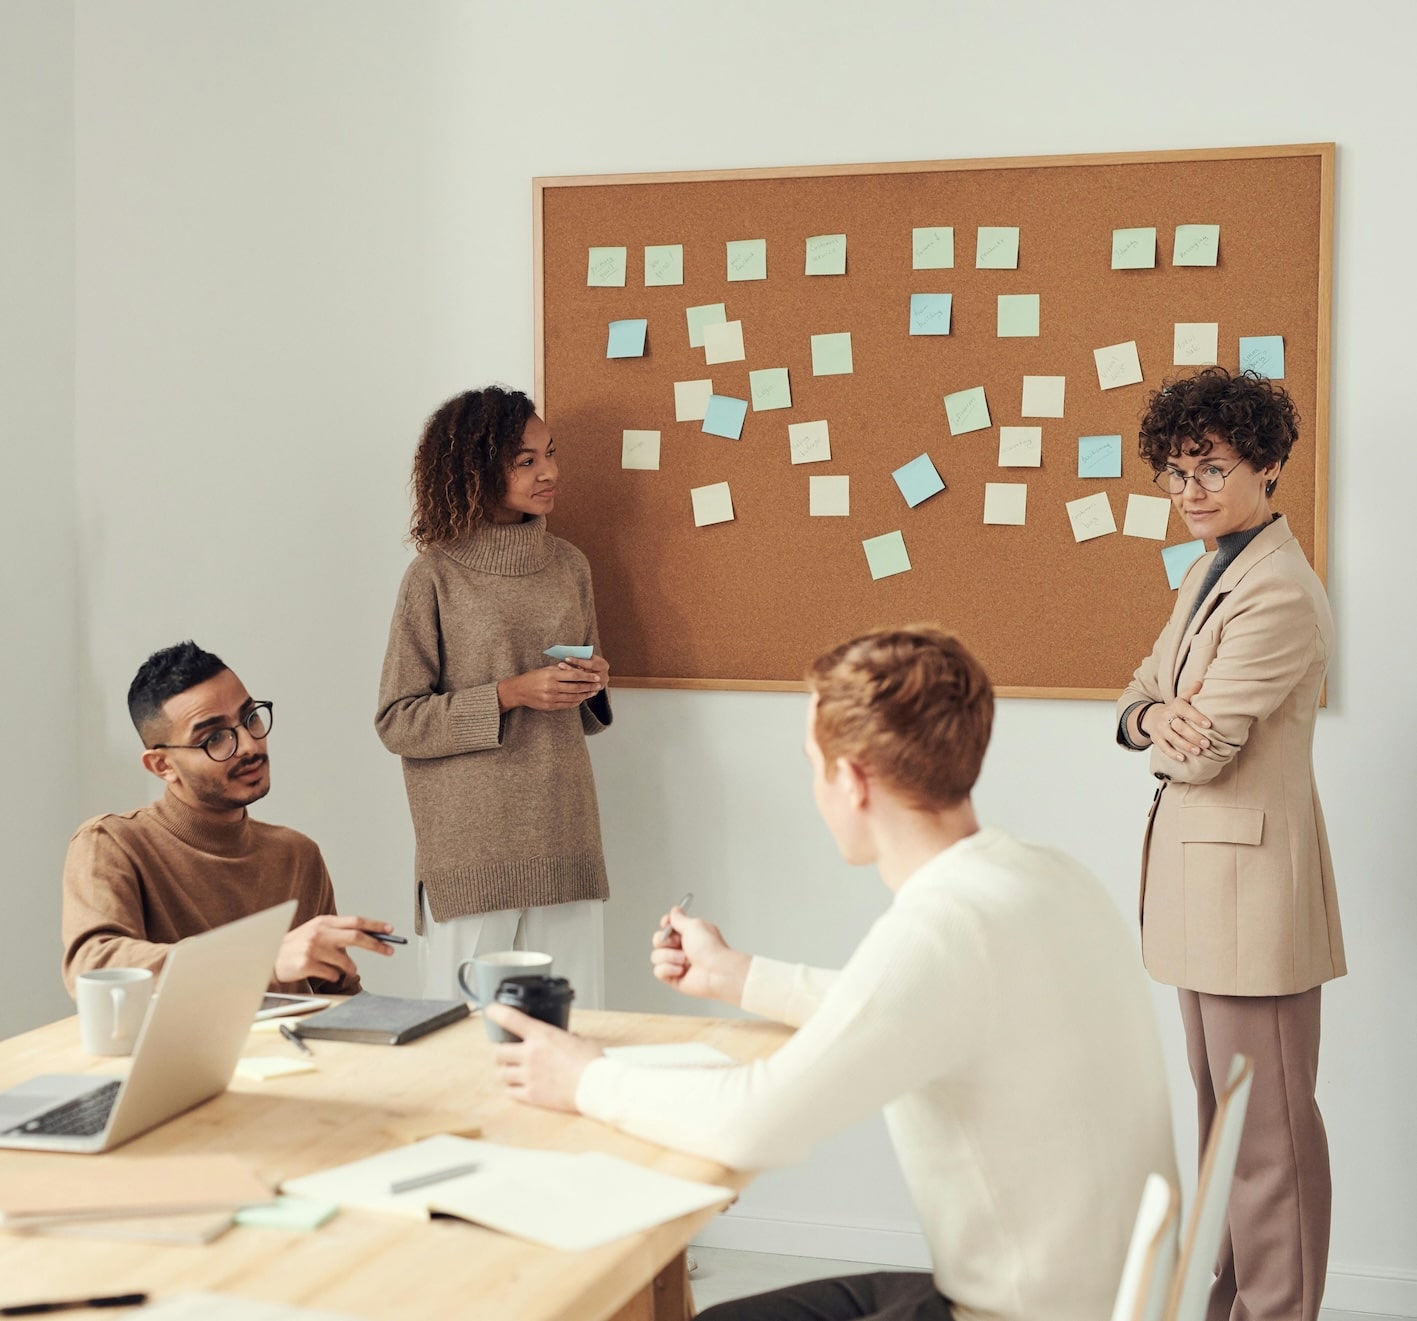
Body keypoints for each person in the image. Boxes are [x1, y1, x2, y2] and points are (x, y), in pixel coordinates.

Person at [488, 626, 1176, 1321]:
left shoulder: (943, 927)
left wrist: (584, 1077)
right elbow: (907, 1009)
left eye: (813, 764)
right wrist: (738, 975)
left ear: (850, 779)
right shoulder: (1043, 874)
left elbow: (751, 1122)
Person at [1116, 367, 1343, 1321]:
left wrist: (1165, 724)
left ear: (1270, 463)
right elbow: (1137, 694)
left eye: (1210, 467)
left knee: (1270, 1144)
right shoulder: (1212, 569)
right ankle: (1231, 1310)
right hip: (1203, 892)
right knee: (1227, 1130)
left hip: (1250, 893)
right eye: (1174, 473)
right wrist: (1149, 718)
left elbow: (1202, 751)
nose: (1190, 492)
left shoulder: (1278, 590)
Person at [375, 386, 612, 1007]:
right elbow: (399, 721)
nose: (549, 471)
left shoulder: (569, 565)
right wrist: (510, 693)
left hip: (564, 832)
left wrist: (589, 683)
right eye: (524, 459)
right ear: (474, 468)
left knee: (576, 1029)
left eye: (550, 453)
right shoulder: (434, 574)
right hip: (471, 853)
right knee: (463, 1038)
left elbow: (580, 715)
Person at [62, 641, 394, 997]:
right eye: (214, 738)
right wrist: (260, 960)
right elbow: (93, 966)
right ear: (162, 766)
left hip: (293, 1052)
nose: (250, 745)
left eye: (250, 718)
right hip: (180, 1054)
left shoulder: (297, 854)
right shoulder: (111, 842)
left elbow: (340, 1000)